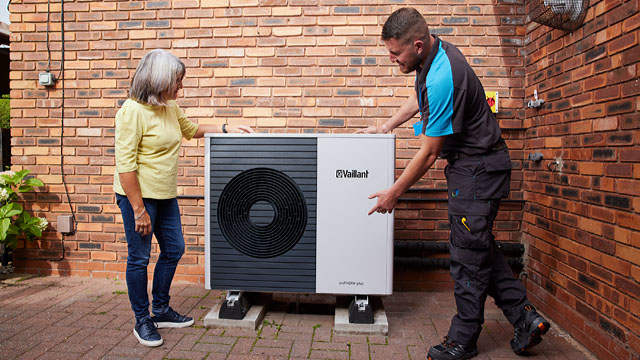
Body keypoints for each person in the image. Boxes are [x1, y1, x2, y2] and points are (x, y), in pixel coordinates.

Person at [359, 8, 550, 360]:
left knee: (467, 258)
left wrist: (394, 192)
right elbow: (422, 98)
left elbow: (430, 152)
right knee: (478, 247)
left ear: (416, 45)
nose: (391, 60)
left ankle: (462, 341)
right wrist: (386, 126)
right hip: (476, 170)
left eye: (395, 53)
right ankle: (525, 317)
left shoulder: (445, 75)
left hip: (477, 172)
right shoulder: (433, 60)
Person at [114, 49, 253, 347]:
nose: (181, 86)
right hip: (138, 197)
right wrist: (139, 210)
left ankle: (161, 308)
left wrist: (227, 128)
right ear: (160, 79)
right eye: (178, 80)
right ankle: (143, 320)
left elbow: (191, 130)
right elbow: (125, 166)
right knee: (139, 258)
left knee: (174, 248)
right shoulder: (131, 111)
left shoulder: (169, 107)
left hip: (164, 194)